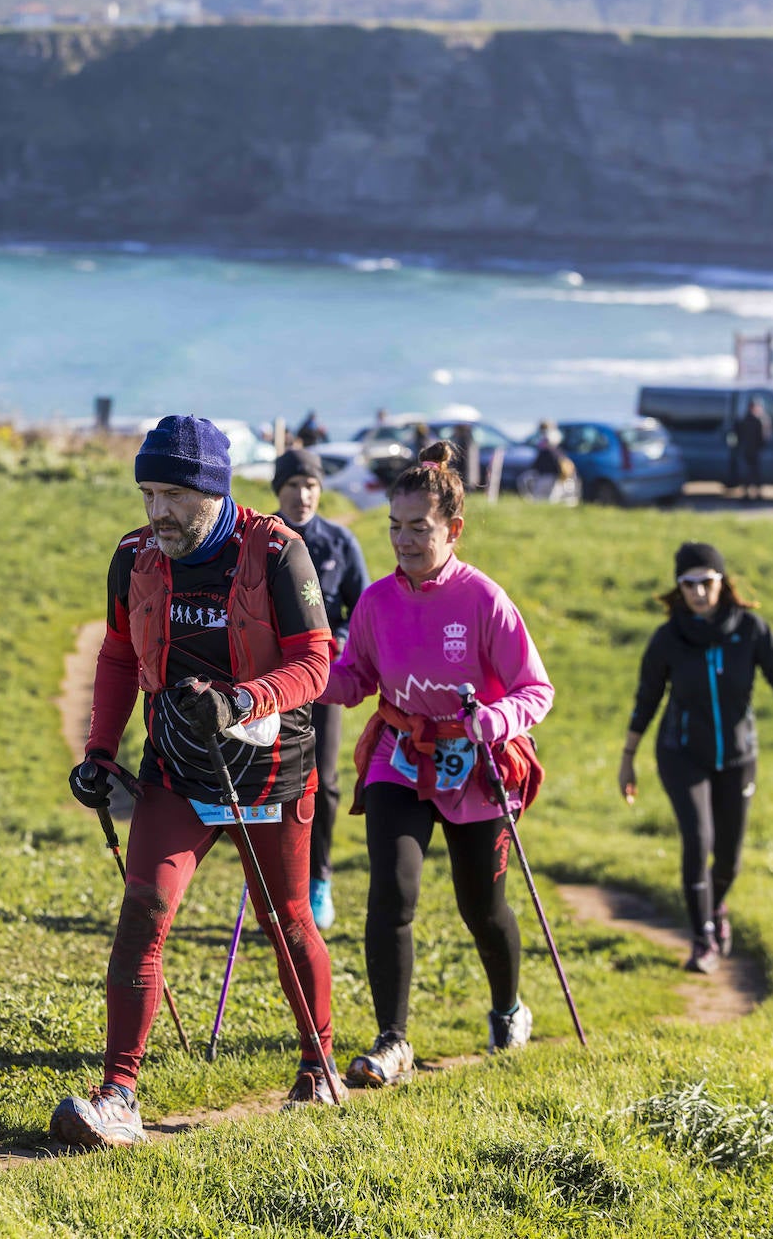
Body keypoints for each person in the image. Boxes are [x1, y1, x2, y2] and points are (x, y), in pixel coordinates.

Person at [50, 415, 347, 1150]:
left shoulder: (278, 551)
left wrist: (242, 700)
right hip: (177, 771)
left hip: (272, 772)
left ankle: (318, 1067)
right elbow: (120, 655)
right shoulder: (135, 557)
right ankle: (119, 1095)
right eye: (149, 492)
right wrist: (99, 752)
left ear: (214, 491)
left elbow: (317, 663)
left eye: (176, 495)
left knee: (287, 921)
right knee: (144, 910)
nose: (158, 512)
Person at [320, 441, 554, 1086]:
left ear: (452, 529)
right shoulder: (375, 602)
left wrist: (496, 718)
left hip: (477, 766)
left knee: (482, 907)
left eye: (418, 528)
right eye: (394, 526)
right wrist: (307, 677)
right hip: (399, 755)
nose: (403, 540)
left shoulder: (484, 600)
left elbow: (537, 690)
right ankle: (393, 1041)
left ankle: (508, 1008)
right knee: (390, 894)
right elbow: (354, 679)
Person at [618, 541, 773, 974]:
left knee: (729, 856)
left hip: (739, 756)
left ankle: (716, 907)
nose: (698, 592)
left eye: (706, 582)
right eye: (688, 584)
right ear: (680, 588)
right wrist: (628, 757)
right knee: (698, 840)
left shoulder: (750, 629)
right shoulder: (668, 638)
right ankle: (703, 938)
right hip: (681, 754)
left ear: (722, 582)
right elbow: (647, 697)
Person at [272, 446, 371, 930]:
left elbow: (364, 611)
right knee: (267, 783)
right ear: (279, 490)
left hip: (324, 682)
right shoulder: (257, 538)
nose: (303, 494)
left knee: (325, 782)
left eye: (311, 485)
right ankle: (272, 878)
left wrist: (343, 643)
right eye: (293, 485)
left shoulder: (340, 543)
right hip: (268, 683)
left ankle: (320, 879)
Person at [731, 399, 771, 500]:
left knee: (748, 472)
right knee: (755, 472)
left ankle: (747, 493)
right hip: (754, 451)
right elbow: (762, 438)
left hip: (746, 450)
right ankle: (756, 493)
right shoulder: (757, 421)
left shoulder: (743, 420)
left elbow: (737, 433)